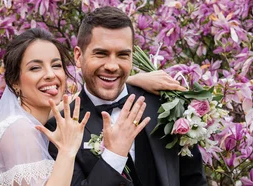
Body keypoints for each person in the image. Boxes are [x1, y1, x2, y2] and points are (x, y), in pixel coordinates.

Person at [0, 28, 185, 186]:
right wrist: (68, 151)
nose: (50, 75)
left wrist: (132, 79)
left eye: (56, 65)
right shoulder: (20, 131)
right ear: (14, 82)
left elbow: (88, 87)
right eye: (35, 68)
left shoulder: (43, 118)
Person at [46, 6, 208, 186]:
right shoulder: (59, 127)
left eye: (123, 55)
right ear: (78, 56)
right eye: (101, 53)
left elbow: (194, 180)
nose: (112, 66)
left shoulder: (166, 104)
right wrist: (113, 156)